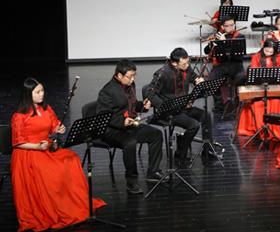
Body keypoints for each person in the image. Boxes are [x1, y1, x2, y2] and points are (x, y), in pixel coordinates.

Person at [11, 78, 106, 231]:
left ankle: (71, 201)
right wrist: (36, 146)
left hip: (45, 147)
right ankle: (56, 204)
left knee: (71, 158)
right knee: (51, 170)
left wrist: (58, 128)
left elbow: (53, 125)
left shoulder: (46, 108)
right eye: (38, 92)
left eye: (42, 91)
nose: (42, 94)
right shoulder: (19, 116)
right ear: (28, 94)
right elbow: (18, 142)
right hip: (28, 152)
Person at [96, 60, 165, 195]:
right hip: (112, 130)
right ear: (119, 75)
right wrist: (122, 121)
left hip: (130, 126)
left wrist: (142, 105)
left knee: (156, 134)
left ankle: (153, 171)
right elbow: (102, 115)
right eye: (130, 77)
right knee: (130, 143)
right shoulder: (107, 91)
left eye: (134, 76)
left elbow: (131, 105)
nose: (132, 79)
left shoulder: (130, 84)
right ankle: (131, 181)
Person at [144, 47, 211, 163]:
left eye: (188, 62)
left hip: (183, 107)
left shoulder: (186, 68)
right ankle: (180, 153)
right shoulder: (162, 73)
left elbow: (193, 77)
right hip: (169, 111)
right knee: (194, 125)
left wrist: (199, 81)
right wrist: (163, 106)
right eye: (184, 64)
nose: (187, 65)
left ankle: (208, 150)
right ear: (174, 63)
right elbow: (149, 92)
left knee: (206, 115)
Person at [238, 39, 280, 139]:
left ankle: (275, 129)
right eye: (266, 51)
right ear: (263, 48)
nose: (268, 53)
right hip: (260, 86)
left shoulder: (278, 56)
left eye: (271, 52)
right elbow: (254, 70)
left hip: (275, 88)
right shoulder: (256, 56)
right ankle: (260, 128)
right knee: (259, 104)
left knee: (276, 102)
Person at [205, 14, 247, 86]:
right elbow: (206, 51)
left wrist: (224, 42)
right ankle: (218, 94)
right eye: (228, 26)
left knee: (241, 78)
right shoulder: (219, 36)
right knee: (211, 81)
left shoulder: (239, 36)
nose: (231, 28)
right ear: (222, 27)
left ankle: (237, 94)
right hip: (221, 64)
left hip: (235, 64)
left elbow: (238, 56)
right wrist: (210, 44)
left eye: (232, 25)